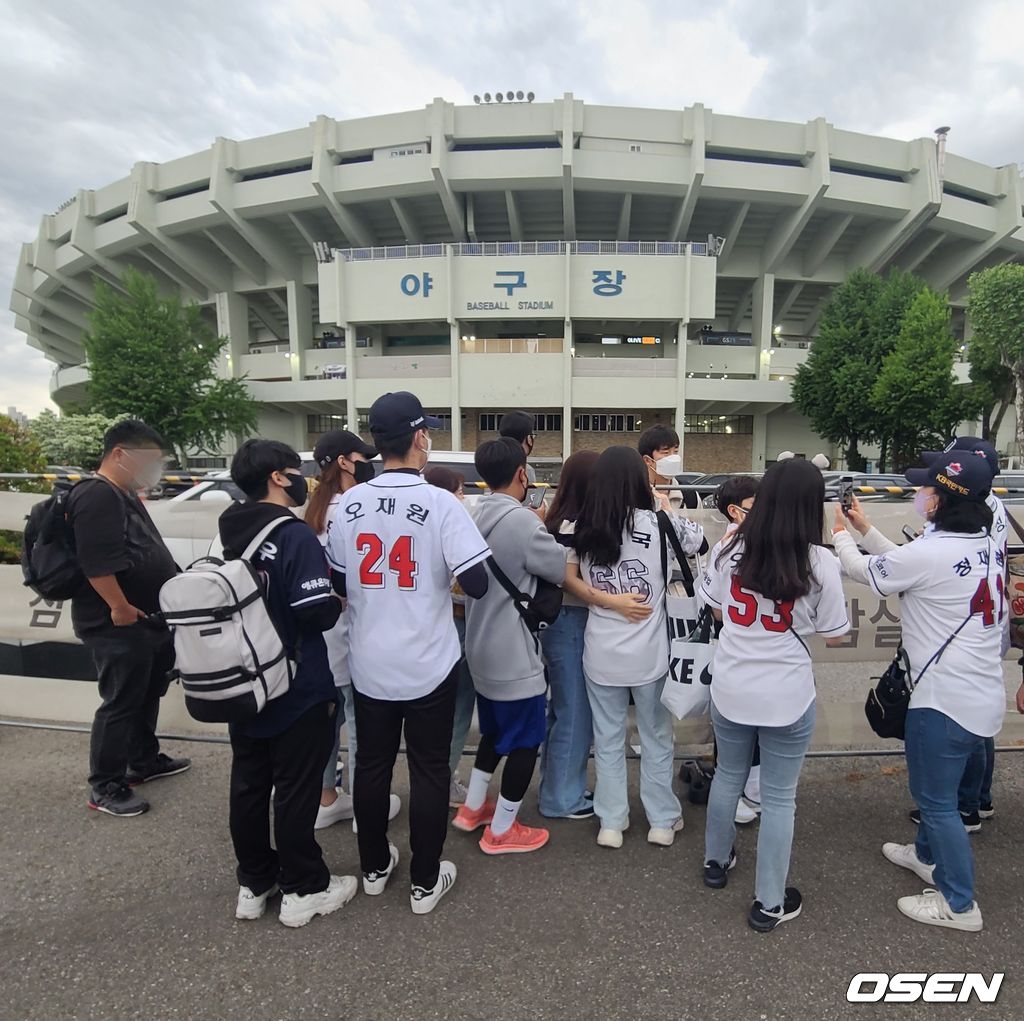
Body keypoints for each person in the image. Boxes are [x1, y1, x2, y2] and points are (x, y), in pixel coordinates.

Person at [325, 391, 491, 915]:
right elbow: (479, 584)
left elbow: (337, 580)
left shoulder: (347, 503)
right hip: (428, 661)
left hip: (369, 658)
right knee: (427, 769)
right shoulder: (441, 503)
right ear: (420, 436)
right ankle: (423, 881)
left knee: (370, 764)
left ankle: (374, 868)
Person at [833, 452, 1005, 932]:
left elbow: (871, 572)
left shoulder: (933, 551)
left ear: (942, 502)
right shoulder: (982, 541)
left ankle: (959, 903)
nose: (918, 494)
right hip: (980, 693)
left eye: (926, 488)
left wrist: (842, 536)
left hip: (943, 701)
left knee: (936, 803)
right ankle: (926, 856)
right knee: (944, 796)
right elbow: (906, 564)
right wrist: (866, 529)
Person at [700, 458, 849, 933]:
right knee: (779, 799)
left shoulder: (730, 549)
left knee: (728, 775)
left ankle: (715, 863)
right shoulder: (820, 561)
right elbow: (835, 634)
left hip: (730, 685)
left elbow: (714, 606)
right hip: (786, 694)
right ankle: (768, 903)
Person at [220, 439, 357, 927]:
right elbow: (313, 611)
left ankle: (255, 883)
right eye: (296, 471)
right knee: (296, 789)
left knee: (250, 785)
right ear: (279, 477)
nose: (305, 480)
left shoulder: (230, 530)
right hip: (295, 683)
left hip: (243, 681)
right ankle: (306, 887)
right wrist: (333, 602)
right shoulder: (293, 534)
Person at [568, 446, 704, 849]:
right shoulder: (660, 522)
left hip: (601, 654)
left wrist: (605, 600)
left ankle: (612, 821)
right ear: (639, 480)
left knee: (607, 738)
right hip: (651, 655)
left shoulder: (583, 525)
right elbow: (699, 542)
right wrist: (664, 503)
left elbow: (567, 578)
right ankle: (661, 820)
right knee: (657, 736)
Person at [66, 420, 189, 818]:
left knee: (146, 690)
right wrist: (119, 607)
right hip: (117, 621)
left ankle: (144, 760)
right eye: (148, 459)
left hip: (145, 618)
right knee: (120, 700)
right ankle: (106, 784)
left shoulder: (122, 494)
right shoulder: (96, 495)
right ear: (119, 453)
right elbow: (96, 562)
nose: (153, 468)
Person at [453, 438, 567, 852]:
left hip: (480, 647)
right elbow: (555, 566)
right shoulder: (521, 522)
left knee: (494, 732)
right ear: (522, 473)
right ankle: (502, 830)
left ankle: (472, 809)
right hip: (513, 654)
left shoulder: (473, 514)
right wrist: (540, 522)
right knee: (524, 741)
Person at [304, 430, 401, 832]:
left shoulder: (312, 512)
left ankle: (326, 797)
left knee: (325, 723)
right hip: (356, 630)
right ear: (344, 462)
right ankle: (367, 805)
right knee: (361, 724)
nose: (370, 462)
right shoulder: (358, 509)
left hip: (319, 637)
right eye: (363, 456)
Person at [712, 476, 762, 826]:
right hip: (744, 658)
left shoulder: (728, 548)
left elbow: (716, 606)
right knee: (739, 734)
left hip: (743, 659)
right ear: (735, 511)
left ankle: (751, 791)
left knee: (746, 731)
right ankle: (746, 793)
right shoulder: (727, 547)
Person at [423, 465, 475, 803]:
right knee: (458, 708)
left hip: (426, 631)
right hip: (456, 623)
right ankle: (444, 780)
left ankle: (437, 777)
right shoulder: (452, 524)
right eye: (458, 491)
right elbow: (466, 586)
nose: (463, 497)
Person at [638, 424, 692, 509]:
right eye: (666, 453)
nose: (673, 457)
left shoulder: (689, 494)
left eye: (676, 451)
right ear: (647, 460)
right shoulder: (635, 494)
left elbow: (701, 521)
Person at [498, 411, 538, 486]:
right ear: (529, 439)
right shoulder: (526, 470)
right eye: (533, 436)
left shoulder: (495, 464)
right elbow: (530, 496)